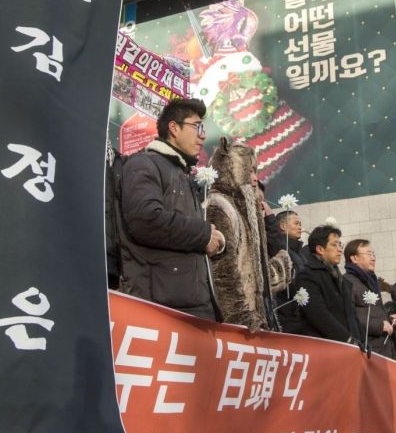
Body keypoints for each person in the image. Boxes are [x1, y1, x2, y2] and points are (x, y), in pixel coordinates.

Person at [114, 98, 224, 321]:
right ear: (174, 128)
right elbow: (146, 219)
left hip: (192, 305)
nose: (203, 135)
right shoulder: (144, 163)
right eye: (197, 126)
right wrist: (204, 235)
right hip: (163, 309)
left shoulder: (182, 174)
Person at [206, 139, 291, 330]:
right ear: (231, 170)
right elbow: (223, 272)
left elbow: (254, 273)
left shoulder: (247, 209)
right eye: (250, 171)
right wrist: (241, 318)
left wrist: (280, 269)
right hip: (238, 324)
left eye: (256, 171)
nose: (255, 178)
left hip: (256, 319)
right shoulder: (219, 205)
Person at [287, 225, 360, 343]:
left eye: (340, 244)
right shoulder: (308, 276)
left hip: (348, 347)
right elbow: (318, 314)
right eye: (334, 245)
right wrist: (348, 338)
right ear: (320, 249)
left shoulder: (340, 278)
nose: (340, 249)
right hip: (326, 347)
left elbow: (351, 315)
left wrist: (360, 340)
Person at [343, 239, 396, 358]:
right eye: (368, 254)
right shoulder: (347, 281)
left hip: (385, 347)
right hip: (368, 349)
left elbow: (373, 312)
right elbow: (349, 317)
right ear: (354, 258)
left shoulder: (372, 281)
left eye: (373, 254)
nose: (373, 258)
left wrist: (389, 318)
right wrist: (379, 325)